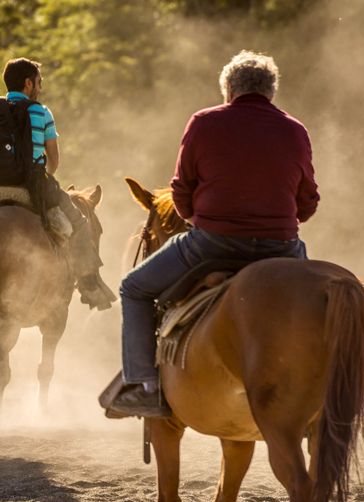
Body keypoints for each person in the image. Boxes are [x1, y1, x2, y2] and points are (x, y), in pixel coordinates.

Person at [109, 50, 320, 418]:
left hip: (214, 243)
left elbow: (181, 192)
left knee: (134, 288)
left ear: (228, 90)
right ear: (271, 92)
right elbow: (307, 203)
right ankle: (321, 391)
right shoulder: (295, 129)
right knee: (316, 306)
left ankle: (143, 386)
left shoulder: (204, 122)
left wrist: (198, 217)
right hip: (281, 248)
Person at [0, 58, 104, 294]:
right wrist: (45, 178)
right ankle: (89, 283)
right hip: (32, 184)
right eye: (39, 82)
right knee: (80, 223)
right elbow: (53, 159)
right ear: (28, 84)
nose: (40, 88)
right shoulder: (41, 112)